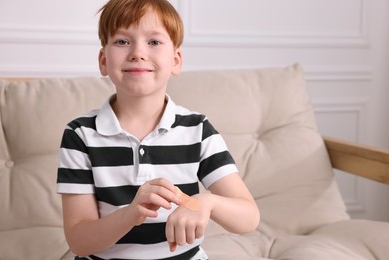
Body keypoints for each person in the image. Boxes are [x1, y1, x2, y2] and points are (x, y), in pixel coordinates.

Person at [56, 0, 260, 259]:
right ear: (103, 60)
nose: (138, 53)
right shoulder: (80, 134)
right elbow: (80, 241)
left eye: (154, 42)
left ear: (175, 61)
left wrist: (206, 202)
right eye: (122, 41)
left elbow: (248, 218)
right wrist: (131, 214)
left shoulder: (198, 130)